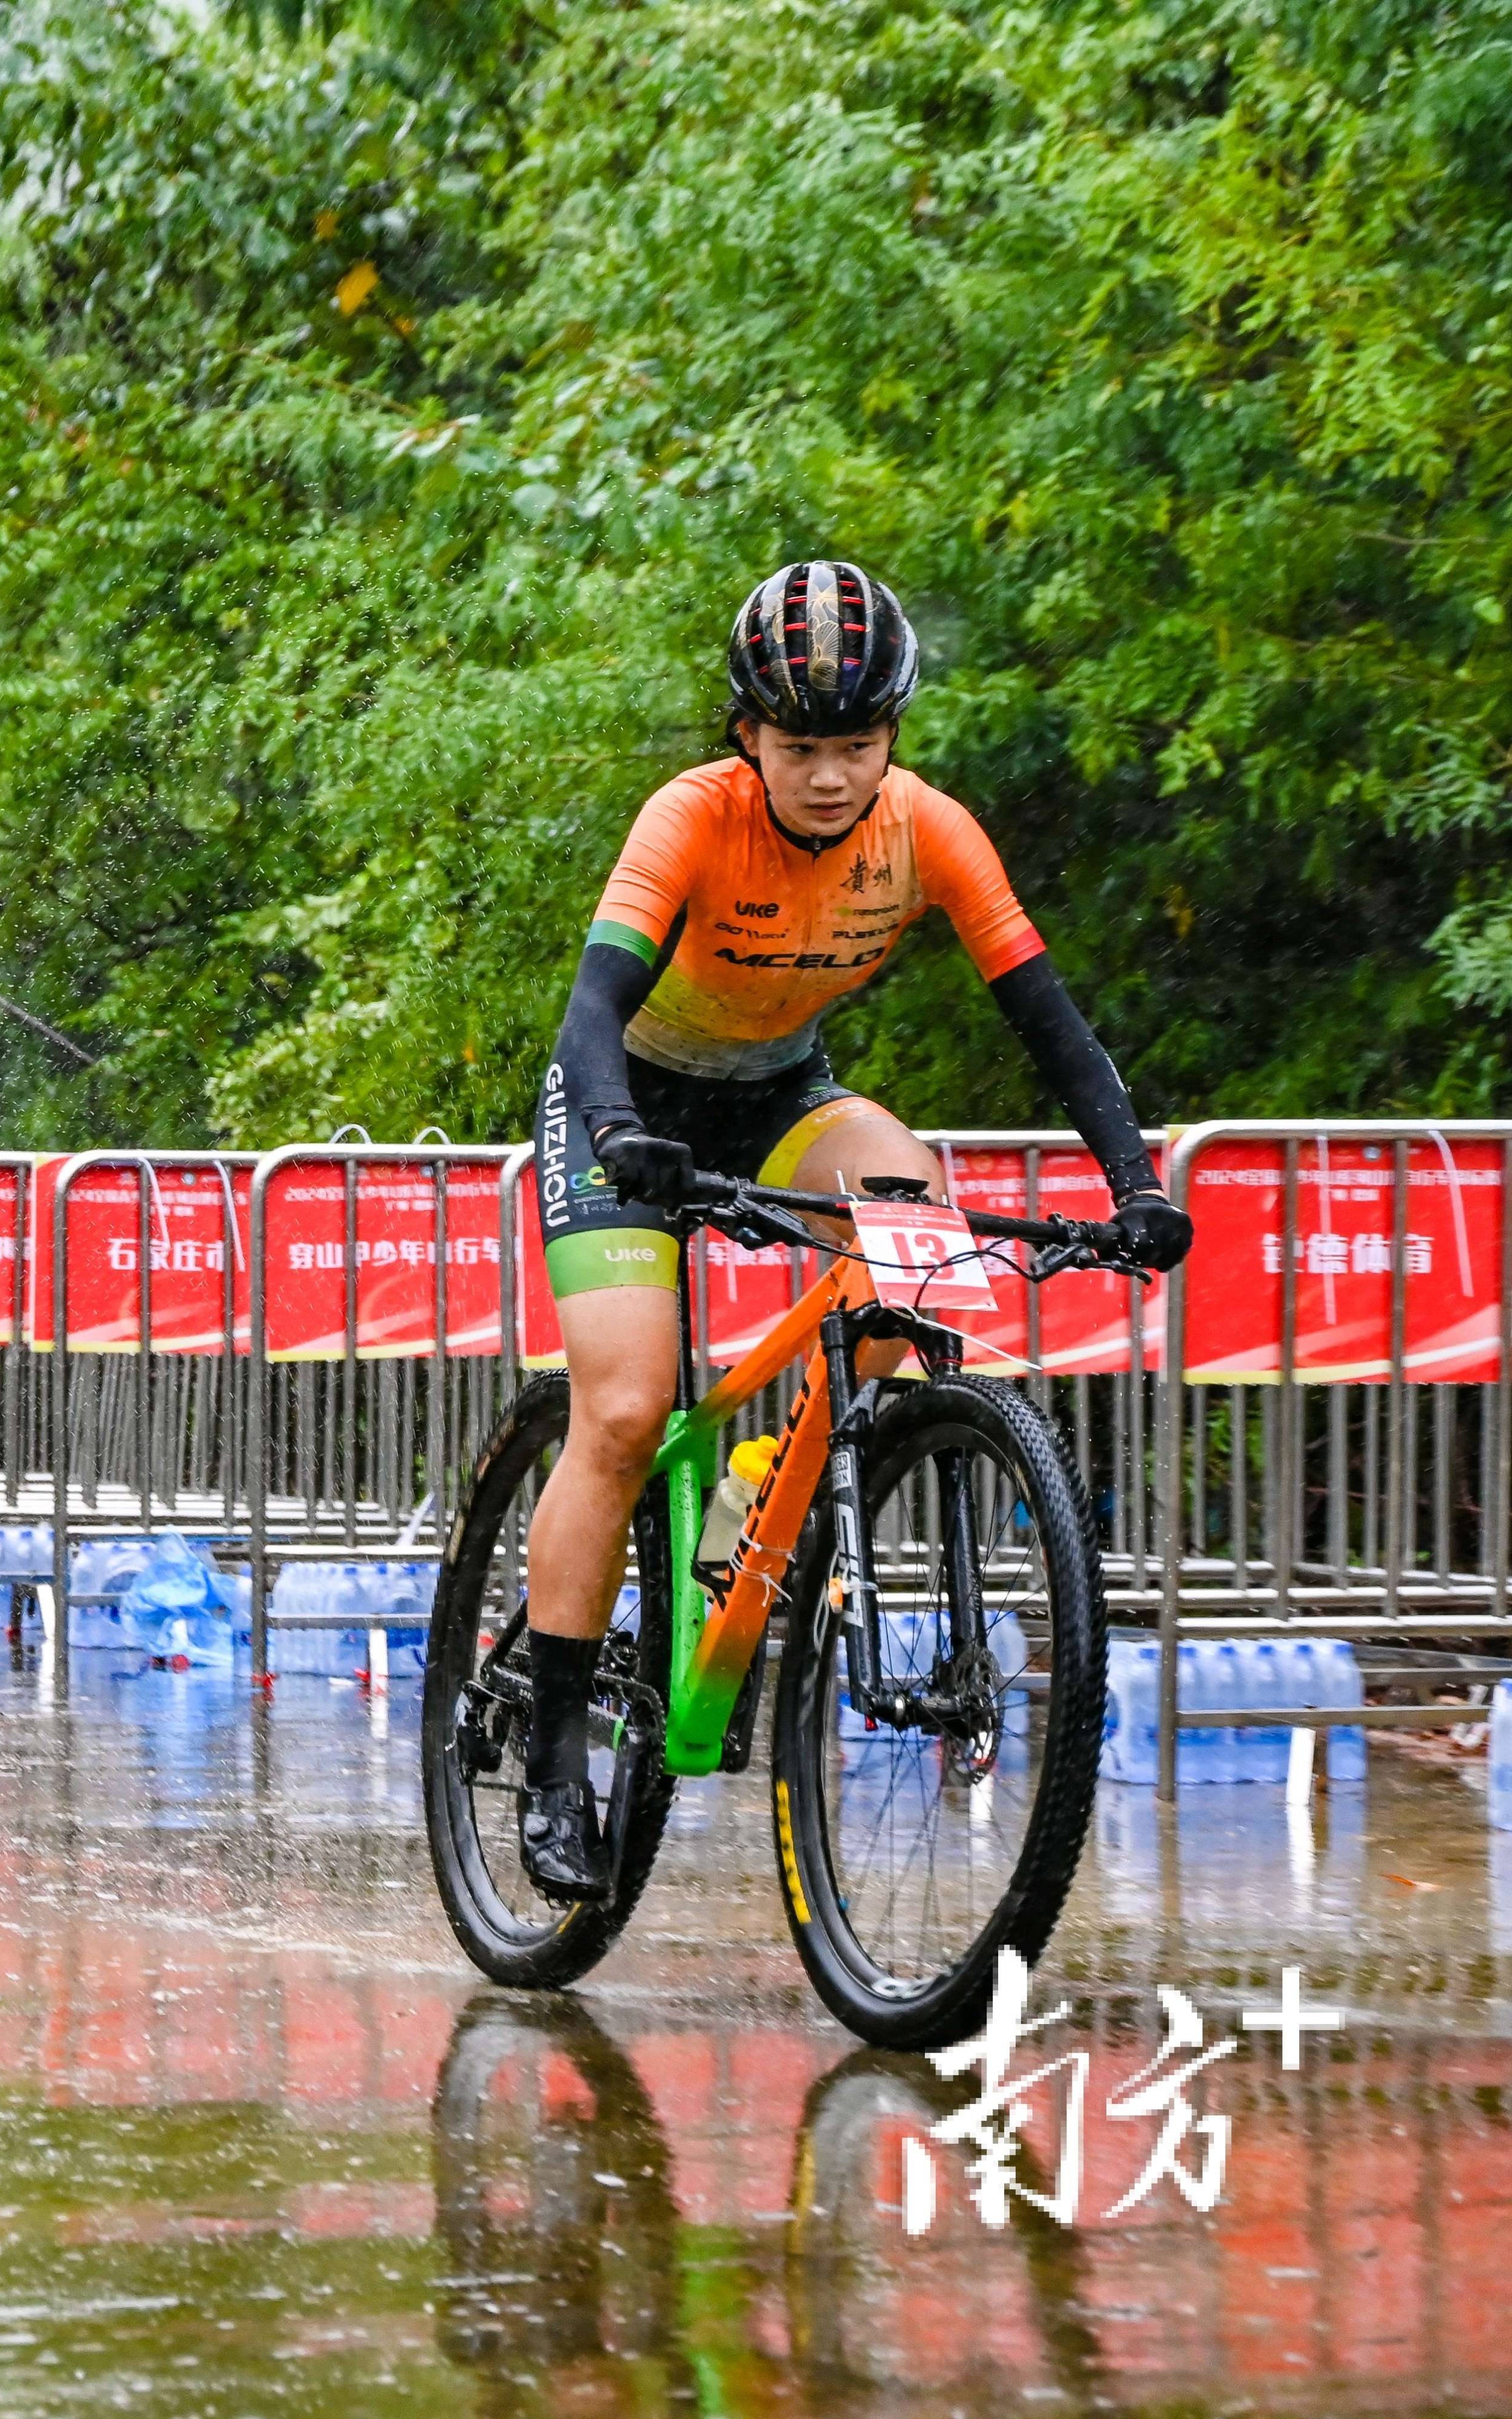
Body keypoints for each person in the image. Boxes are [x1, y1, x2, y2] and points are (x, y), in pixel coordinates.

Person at [513, 559, 1193, 1901]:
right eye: (803, 746)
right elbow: (593, 1012)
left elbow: (1051, 1022)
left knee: (915, 1234)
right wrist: (616, 1129)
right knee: (629, 1404)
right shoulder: (690, 819)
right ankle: (548, 1757)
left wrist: (1140, 1184)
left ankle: (755, 1504)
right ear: (747, 736)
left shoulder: (928, 830)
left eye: (859, 744)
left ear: (894, 736)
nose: (832, 775)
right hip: (626, 1107)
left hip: (780, 1098)